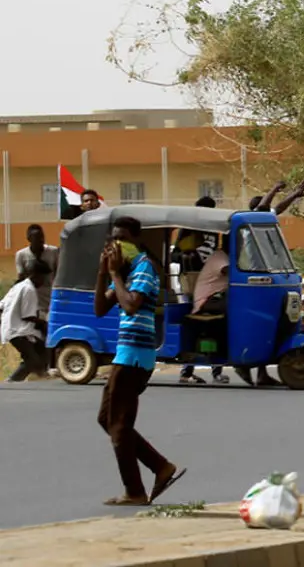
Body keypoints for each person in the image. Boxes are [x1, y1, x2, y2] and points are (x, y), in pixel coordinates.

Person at [93, 216, 185, 506]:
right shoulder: (127, 269)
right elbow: (99, 308)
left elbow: (131, 305)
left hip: (134, 356)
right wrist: (103, 273)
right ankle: (160, 467)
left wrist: (116, 276)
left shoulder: (144, 266)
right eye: (113, 239)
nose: (117, 244)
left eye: (123, 238)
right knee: (107, 419)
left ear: (136, 240)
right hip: (127, 354)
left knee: (118, 426)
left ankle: (135, 490)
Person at [234, 183, 304, 387]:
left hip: (269, 282)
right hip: (258, 285)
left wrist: (294, 195)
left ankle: (261, 373)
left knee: (271, 328)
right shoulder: (250, 226)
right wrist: (275, 188)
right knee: (263, 326)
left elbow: (278, 208)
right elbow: (265, 207)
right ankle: (249, 367)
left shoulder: (262, 228)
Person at [177, 196, 227, 385]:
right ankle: (186, 370)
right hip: (190, 281)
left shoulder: (214, 230)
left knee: (214, 325)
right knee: (194, 326)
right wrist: (185, 254)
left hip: (211, 279)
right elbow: (175, 253)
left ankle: (216, 371)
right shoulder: (189, 227)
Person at [2, 262, 52, 381]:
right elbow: (27, 316)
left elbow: (2, 305)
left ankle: (41, 375)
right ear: (36, 275)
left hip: (13, 328)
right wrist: (44, 324)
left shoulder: (19, 286)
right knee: (32, 360)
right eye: (44, 278)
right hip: (18, 331)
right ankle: (11, 381)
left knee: (42, 351)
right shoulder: (29, 289)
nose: (44, 282)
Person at [15, 224, 58, 315]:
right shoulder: (21, 255)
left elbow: (58, 273)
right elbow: (21, 277)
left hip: (49, 296)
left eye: (42, 236)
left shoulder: (53, 252)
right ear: (29, 239)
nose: (41, 240)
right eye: (37, 238)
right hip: (32, 297)